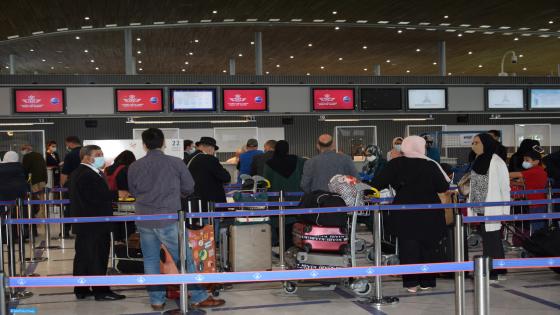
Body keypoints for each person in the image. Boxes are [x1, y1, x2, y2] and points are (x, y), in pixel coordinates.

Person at [128, 128, 225, 310]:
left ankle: (156, 300)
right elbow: (189, 187)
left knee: (150, 259)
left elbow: (133, 191)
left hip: (144, 218)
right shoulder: (175, 163)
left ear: (144, 144)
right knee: (184, 258)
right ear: (163, 143)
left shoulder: (135, 166)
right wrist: (174, 194)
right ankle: (199, 296)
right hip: (168, 217)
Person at [370, 136, 450, 292]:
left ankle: (411, 283)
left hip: (405, 212)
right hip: (430, 213)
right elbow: (442, 187)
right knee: (428, 246)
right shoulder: (430, 165)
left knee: (408, 248)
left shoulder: (395, 164)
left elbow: (376, 184)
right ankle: (427, 282)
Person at [70, 145, 125, 301]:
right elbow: (94, 197)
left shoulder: (80, 172)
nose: (102, 156)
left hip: (85, 224)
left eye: (102, 153)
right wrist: (116, 194)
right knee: (97, 257)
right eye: (98, 154)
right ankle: (101, 291)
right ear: (87, 157)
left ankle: (82, 289)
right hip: (94, 224)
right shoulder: (87, 174)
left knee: (84, 257)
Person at [467, 133, 510, 282]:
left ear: (486, 143)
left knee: (492, 239)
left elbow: (505, 187)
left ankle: (495, 272)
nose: (473, 146)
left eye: (476, 142)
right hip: (480, 207)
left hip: (493, 207)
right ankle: (497, 270)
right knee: (489, 239)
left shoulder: (497, 162)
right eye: (473, 143)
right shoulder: (478, 160)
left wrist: (506, 210)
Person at [185, 136, 231, 241]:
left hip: (191, 205)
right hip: (209, 205)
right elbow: (226, 177)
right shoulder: (210, 159)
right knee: (209, 238)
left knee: (195, 237)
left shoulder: (187, 159)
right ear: (210, 148)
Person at [263, 140, 306, 247]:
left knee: (280, 227)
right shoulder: (298, 161)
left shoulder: (269, 164)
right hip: (295, 201)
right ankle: (293, 249)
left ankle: (283, 250)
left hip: (276, 202)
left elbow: (266, 183)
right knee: (294, 228)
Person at [509, 148, 548, 233]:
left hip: (537, 204)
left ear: (536, 161)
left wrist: (502, 174)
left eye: (527, 160)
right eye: (524, 160)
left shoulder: (535, 171)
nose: (524, 162)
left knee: (537, 228)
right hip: (536, 203)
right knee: (535, 226)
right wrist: (512, 182)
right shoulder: (537, 171)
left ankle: (538, 243)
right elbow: (526, 184)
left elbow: (516, 174)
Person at [60, 136, 82, 237]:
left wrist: (63, 185)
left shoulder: (70, 155)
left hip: (72, 184)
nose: (67, 146)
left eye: (67, 144)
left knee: (69, 208)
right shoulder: (87, 153)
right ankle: (81, 229)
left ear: (70, 143)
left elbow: (64, 173)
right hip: (87, 185)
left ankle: (65, 230)